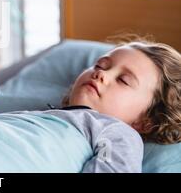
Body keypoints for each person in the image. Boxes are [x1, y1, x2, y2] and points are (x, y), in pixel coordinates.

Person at [42, 40, 181, 172]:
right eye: (100, 65)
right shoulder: (47, 116)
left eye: (123, 80)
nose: (101, 73)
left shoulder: (118, 134)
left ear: (145, 122)